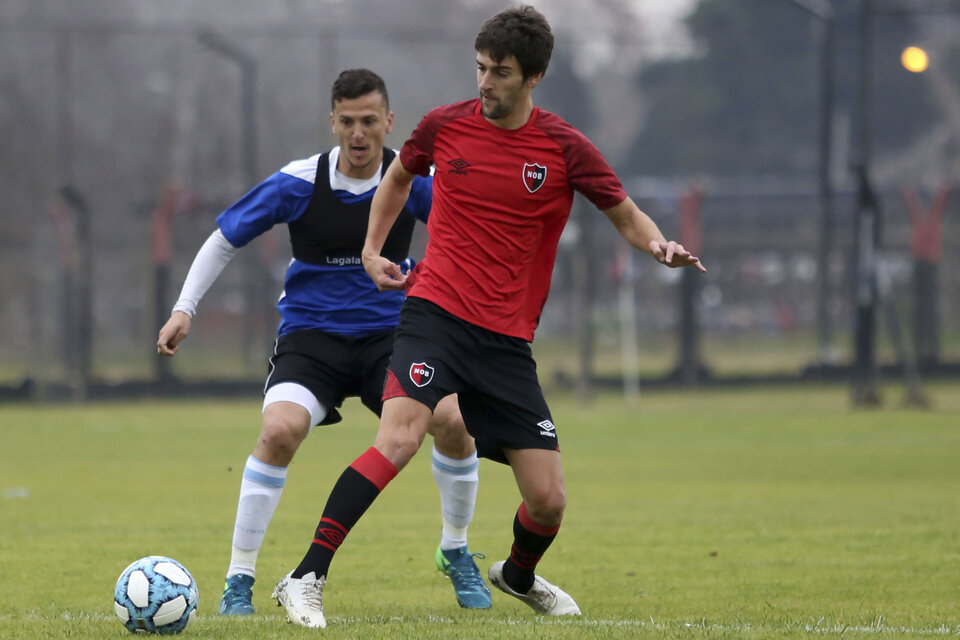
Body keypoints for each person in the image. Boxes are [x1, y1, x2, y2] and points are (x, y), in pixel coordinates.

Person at [273, 6, 706, 628]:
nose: (485, 83)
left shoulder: (563, 147)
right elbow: (396, 180)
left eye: (499, 72)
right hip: (434, 315)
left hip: (505, 343)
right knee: (398, 438)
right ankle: (305, 577)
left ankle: (517, 574)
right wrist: (371, 250)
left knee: (549, 500)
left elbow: (625, 214)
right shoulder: (444, 127)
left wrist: (659, 244)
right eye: (480, 69)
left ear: (533, 76)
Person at [156, 69, 491, 617]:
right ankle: (239, 579)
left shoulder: (413, 179)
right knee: (279, 431)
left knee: (453, 421)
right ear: (332, 122)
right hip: (312, 340)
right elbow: (224, 238)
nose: (359, 134)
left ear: (388, 122)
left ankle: (455, 549)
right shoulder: (297, 182)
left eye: (369, 121)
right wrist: (183, 310)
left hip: (393, 338)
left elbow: (467, 240)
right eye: (347, 121)